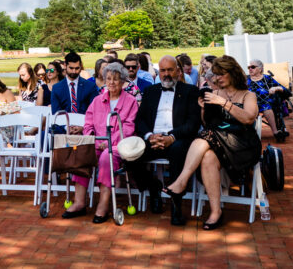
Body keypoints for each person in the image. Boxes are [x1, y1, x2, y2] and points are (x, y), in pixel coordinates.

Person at [163, 56, 261, 230]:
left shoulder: (248, 95)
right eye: (216, 74)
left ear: (233, 73)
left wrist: (223, 103)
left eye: (221, 74)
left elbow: (248, 118)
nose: (217, 78)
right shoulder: (213, 93)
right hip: (217, 141)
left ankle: (182, 180)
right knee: (208, 156)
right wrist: (203, 109)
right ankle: (216, 212)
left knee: (206, 135)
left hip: (242, 144)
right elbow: (209, 124)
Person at [122, 55, 202, 225]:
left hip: (177, 138)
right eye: (163, 70)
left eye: (170, 70)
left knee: (178, 151)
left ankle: (176, 204)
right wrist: (149, 136)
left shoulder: (190, 92)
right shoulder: (151, 91)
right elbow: (140, 120)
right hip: (153, 138)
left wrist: (171, 136)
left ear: (178, 71)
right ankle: (153, 186)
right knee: (128, 154)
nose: (166, 74)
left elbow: (193, 123)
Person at [62, 63, 138, 223]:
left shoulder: (130, 101)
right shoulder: (97, 100)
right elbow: (88, 124)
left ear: (123, 81)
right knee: (80, 153)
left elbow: (128, 127)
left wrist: (110, 141)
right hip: (97, 143)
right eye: (108, 79)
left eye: (116, 79)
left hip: (119, 145)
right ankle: (79, 202)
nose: (111, 82)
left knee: (106, 157)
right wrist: (92, 139)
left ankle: (103, 204)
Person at [247, 59, 290, 140]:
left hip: (269, 104)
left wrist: (275, 88)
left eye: (252, 67)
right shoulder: (246, 80)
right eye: (248, 67)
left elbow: (285, 90)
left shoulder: (267, 78)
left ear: (260, 69)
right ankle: (276, 131)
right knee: (265, 106)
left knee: (268, 105)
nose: (250, 69)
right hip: (252, 104)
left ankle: (277, 131)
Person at [51, 51, 99, 117]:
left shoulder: (90, 86)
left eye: (77, 68)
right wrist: (66, 126)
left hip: (84, 124)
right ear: (65, 65)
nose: (74, 71)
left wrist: (82, 126)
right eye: (71, 68)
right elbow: (56, 113)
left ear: (80, 66)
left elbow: (94, 111)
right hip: (63, 124)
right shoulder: (56, 88)